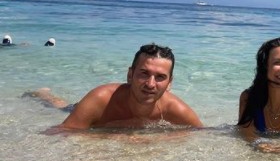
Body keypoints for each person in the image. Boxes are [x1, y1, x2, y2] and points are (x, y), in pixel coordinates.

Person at [39, 43, 202, 131]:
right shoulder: (101, 99)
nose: (150, 84)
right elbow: (62, 132)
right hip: (83, 108)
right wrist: (115, 134)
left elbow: (203, 134)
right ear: (130, 75)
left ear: (169, 83)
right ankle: (42, 95)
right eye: (144, 73)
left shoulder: (176, 109)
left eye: (160, 77)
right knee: (60, 106)